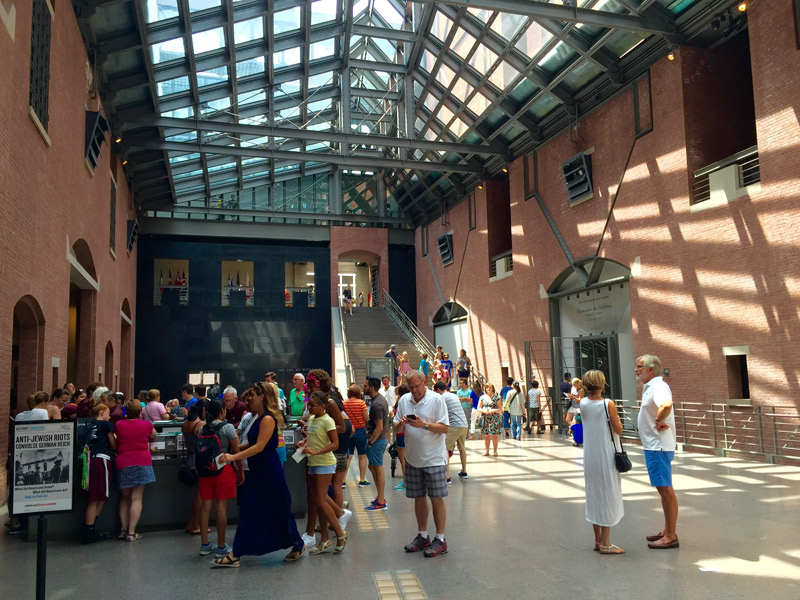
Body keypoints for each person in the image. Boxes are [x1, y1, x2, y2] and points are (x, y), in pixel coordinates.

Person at [214, 381, 306, 566]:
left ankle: (297, 544)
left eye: (252, 395)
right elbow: (253, 443)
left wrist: (234, 457)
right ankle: (237, 552)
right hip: (258, 471)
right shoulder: (258, 417)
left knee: (278, 508)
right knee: (250, 510)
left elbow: (260, 446)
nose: (249, 398)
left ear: (262, 397)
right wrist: (234, 450)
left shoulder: (267, 419)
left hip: (268, 472)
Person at [393, 371, 450, 557]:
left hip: (434, 458)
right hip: (412, 458)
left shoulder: (436, 400)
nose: (414, 390)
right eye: (411, 387)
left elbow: (445, 428)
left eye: (417, 386)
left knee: (436, 498)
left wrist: (423, 425)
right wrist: (401, 424)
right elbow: (395, 427)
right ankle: (423, 535)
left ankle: (440, 539)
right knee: (419, 498)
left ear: (425, 383)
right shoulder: (404, 400)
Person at [297, 392, 349, 555]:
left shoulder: (328, 421)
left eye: (312, 405)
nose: (309, 408)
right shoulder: (312, 419)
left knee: (319, 499)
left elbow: (335, 443)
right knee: (318, 498)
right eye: (308, 405)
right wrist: (304, 441)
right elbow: (313, 437)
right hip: (313, 463)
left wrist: (316, 451)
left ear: (322, 406)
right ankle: (326, 537)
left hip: (325, 463)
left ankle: (340, 533)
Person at [636, 354, 679, 550]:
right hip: (653, 445)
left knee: (665, 490)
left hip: (658, 446)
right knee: (662, 490)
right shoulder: (652, 387)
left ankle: (670, 536)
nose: (636, 370)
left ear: (650, 369)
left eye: (639, 367)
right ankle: (667, 529)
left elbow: (667, 405)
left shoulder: (659, 387)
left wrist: (660, 420)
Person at [580, 370, 625, 554]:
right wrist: (619, 421)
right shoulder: (608, 404)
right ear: (602, 384)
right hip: (606, 455)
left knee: (594, 493)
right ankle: (606, 543)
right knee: (608, 493)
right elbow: (619, 429)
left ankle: (597, 540)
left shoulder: (583, 403)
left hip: (590, 455)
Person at [197, 399, 241, 558]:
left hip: (205, 472)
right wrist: (240, 470)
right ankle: (222, 546)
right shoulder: (227, 427)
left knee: (205, 507)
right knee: (221, 508)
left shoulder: (202, 428)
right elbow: (235, 451)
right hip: (223, 470)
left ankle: (205, 544)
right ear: (222, 411)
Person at [114, 399, 157, 542]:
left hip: (123, 461)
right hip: (142, 460)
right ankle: (131, 533)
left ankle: (123, 529)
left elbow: (115, 439)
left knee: (125, 497)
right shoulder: (146, 425)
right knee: (136, 497)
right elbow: (154, 435)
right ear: (140, 411)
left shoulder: (119, 425)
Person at [83, 402, 116, 544]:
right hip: (102, 460)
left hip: (89, 461)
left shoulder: (89, 425)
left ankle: (89, 530)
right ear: (102, 412)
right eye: (108, 412)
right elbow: (113, 444)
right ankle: (90, 530)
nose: (109, 416)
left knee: (93, 496)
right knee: (99, 496)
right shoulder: (106, 425)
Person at [183, 398, 209, 535]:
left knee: (196, 495)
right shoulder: (201, 425)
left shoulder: (186, 423)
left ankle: (191, 523)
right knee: (200, 495)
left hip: (189, 458)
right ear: (204, 410)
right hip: (198, 460)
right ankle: (196, 524)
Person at [434, 382, 469, 481]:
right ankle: (464, 471)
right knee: (462, 448)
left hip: (455, 426)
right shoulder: (453, 395)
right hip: (464, 424)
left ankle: (446, 476)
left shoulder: (442, 398)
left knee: (445, 448)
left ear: (438, 390)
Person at [364, 377, 389, 511]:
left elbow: (379, 427)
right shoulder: (377, 401)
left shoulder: (376, 404)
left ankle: (380, 500)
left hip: (377, 440)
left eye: (366, 385)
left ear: (372, 388)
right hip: (379, 439)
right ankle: (380, 497)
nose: (364, 387)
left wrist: (371, 442)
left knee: (377, 468)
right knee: (373, 466)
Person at [343, 384, 369, 486]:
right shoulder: (362, 403)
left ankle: (343, 480)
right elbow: (366, 418)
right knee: (362, 456)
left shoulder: (344, 403)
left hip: (348, 431)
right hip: (360, 432)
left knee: (348, 456)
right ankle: (362, 480)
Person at [478, 383, 503, 456]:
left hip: (494, 418)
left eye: (490, 387)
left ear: (493, 388)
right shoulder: (482, 397)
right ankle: (487, 451)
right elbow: (479, 408)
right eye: (487, 388)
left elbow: (500, 409)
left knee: (494, 435)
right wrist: (484, 411)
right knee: (486, 435)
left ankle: (495, 451)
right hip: (486, 418)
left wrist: (492, 410)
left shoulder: (496, 397)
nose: (488, 389)